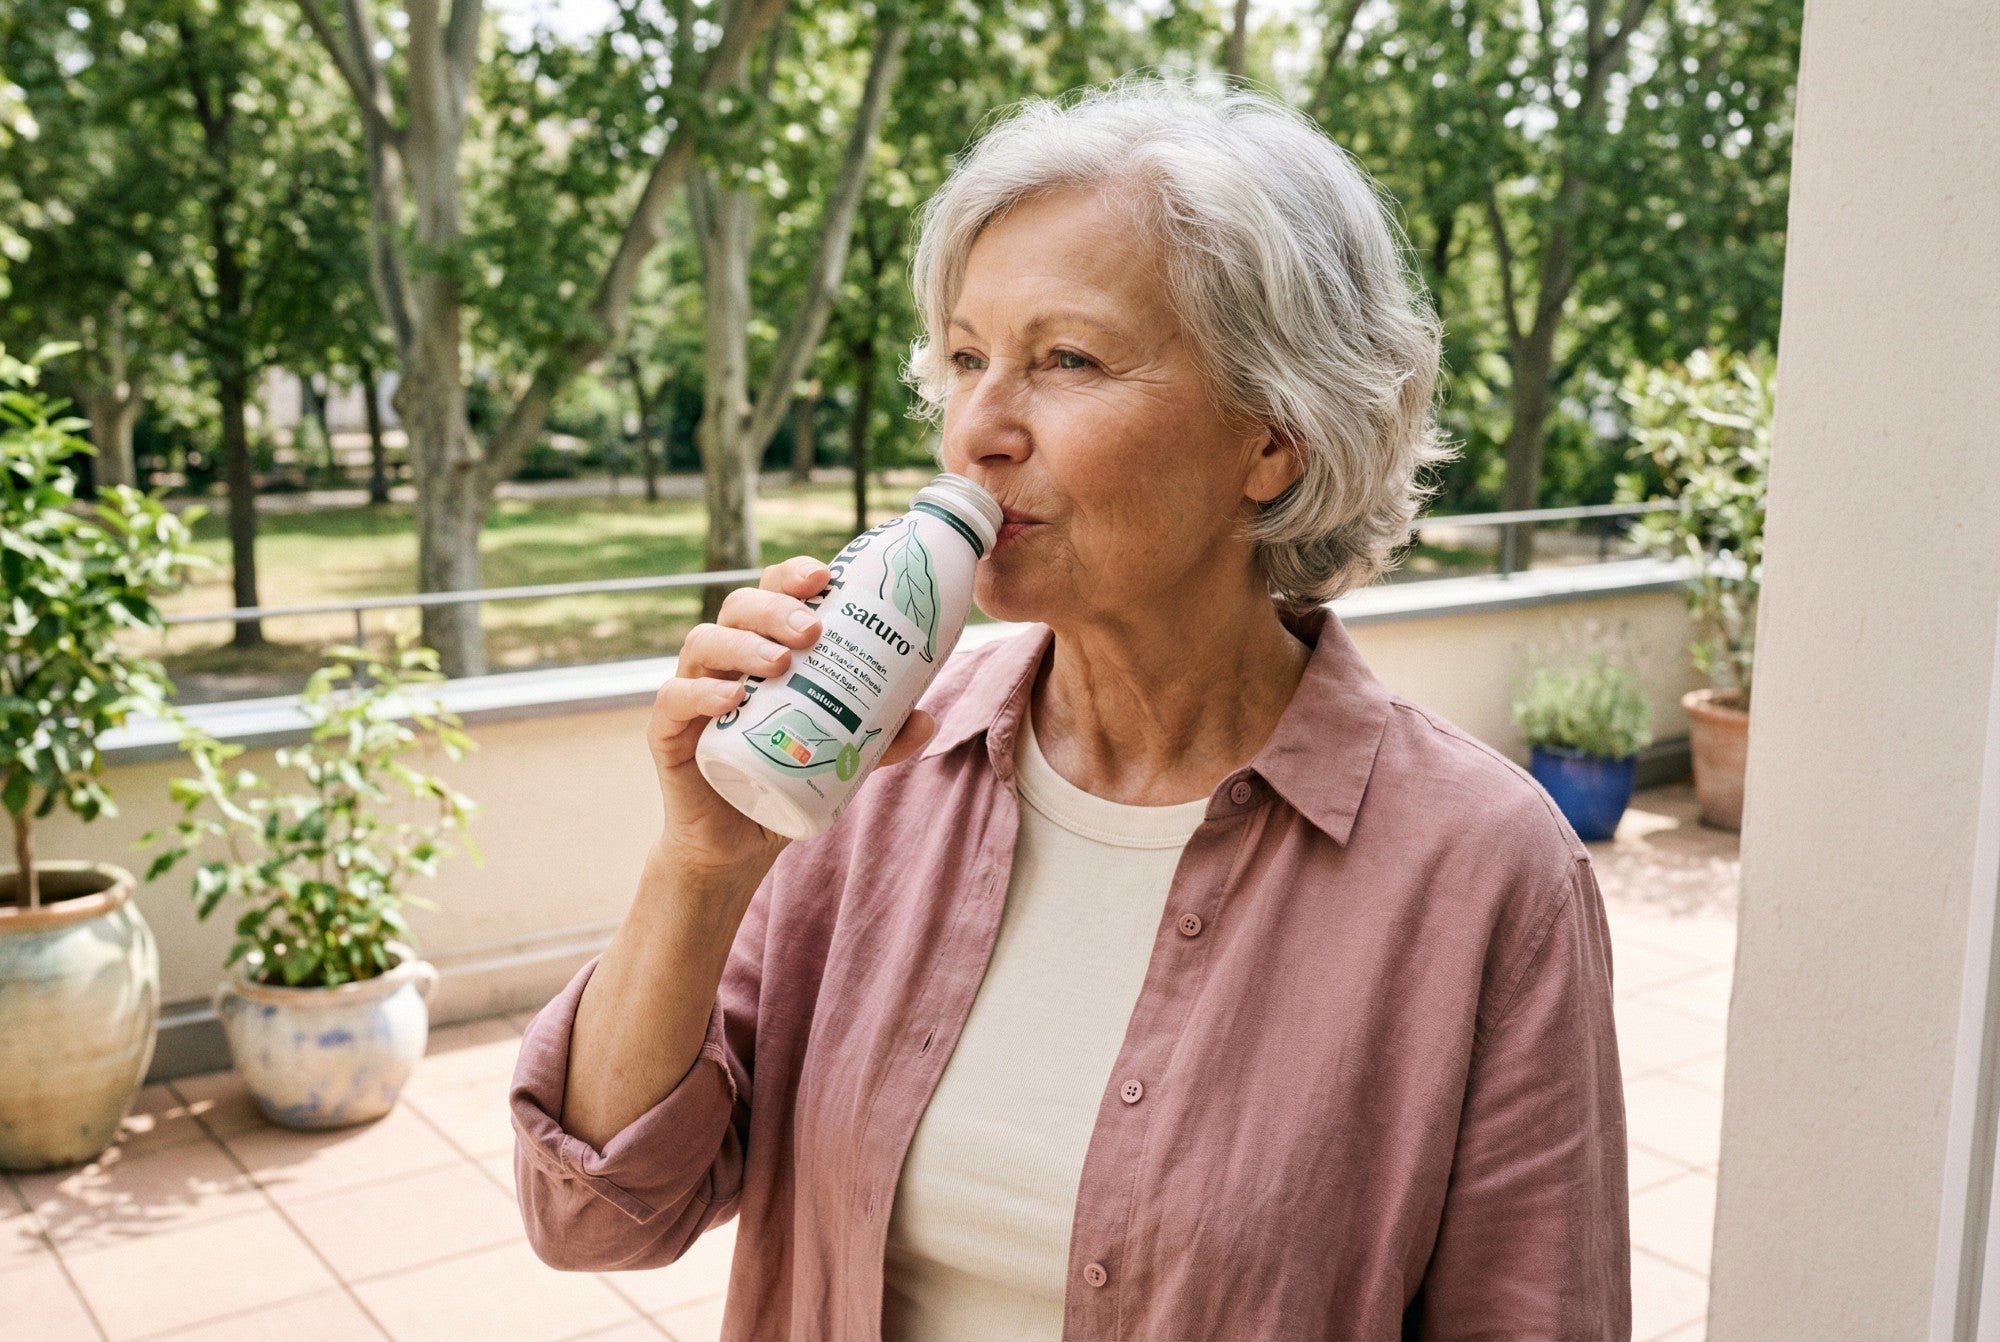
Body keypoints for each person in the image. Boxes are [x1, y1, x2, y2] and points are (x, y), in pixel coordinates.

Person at [511, 78, 1629, 1340]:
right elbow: (595, 1216)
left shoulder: (1481, 870)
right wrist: (702, 867)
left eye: (1065, 360)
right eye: (967, 359)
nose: (976, 431)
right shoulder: (879, 758)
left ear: (1274, 439)